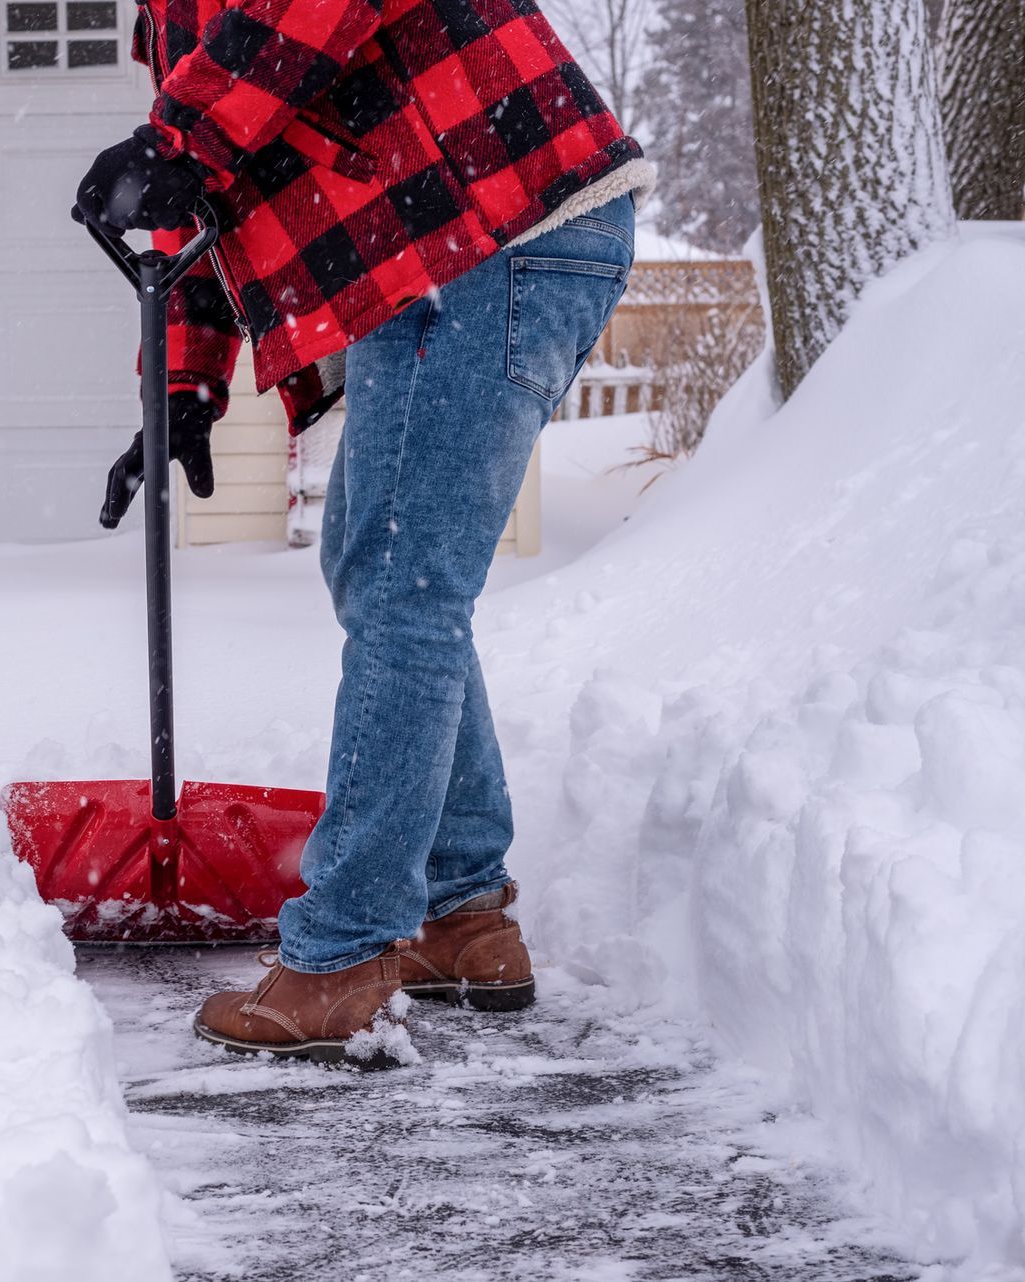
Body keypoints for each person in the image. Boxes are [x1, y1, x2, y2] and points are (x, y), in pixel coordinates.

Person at [73, 0, 654, 1064]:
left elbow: (221, 115)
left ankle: (345, 955)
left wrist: (177, 138)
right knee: (380, 569)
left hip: (498, 215)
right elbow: (204, 192)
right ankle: (460, 915)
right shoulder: (173, 20)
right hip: (442, 240)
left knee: (404, 584)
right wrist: (183, 386)